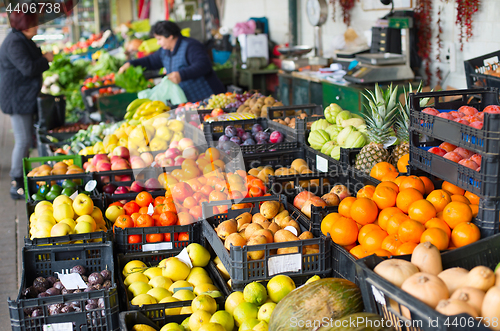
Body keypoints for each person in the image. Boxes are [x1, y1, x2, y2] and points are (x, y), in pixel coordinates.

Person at [0, 12, 53, 199]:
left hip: (23, 96)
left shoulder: (21, 39)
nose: (37, 27)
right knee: (22, 140)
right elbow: (28, 68)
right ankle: (16, 184)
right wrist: (45, 59)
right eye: (34, 24)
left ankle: (25, 178)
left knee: (26, 140)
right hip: (18, 99)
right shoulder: (15, 42)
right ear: (24, 25)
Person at [119, 21, 224, 102]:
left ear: (169, 35)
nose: (158, 43)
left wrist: (181, 75)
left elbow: (204, 65)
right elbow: (150, 61)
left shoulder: (191, 46)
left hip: (209, 96)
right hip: (190, 100)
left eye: (159, 39)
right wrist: (131, 63)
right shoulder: (165, 51)